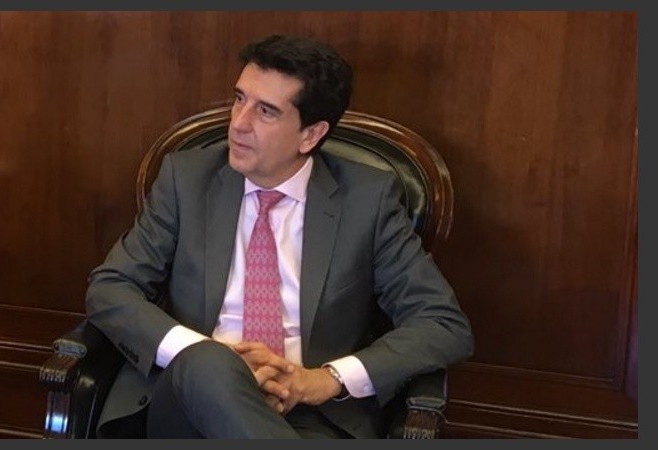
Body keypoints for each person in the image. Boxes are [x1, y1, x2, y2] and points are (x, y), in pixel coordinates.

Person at [85, 34, 473, 439]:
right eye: (239, 99)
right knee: (209, 363)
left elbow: (442, 323)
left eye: (266, 111)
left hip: (311, 415)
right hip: (187, 402)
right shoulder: (187, 180)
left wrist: (325, 379)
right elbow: (111, 287)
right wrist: (202, 354)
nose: (239, 123)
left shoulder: (367, 201)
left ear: (311, 135)